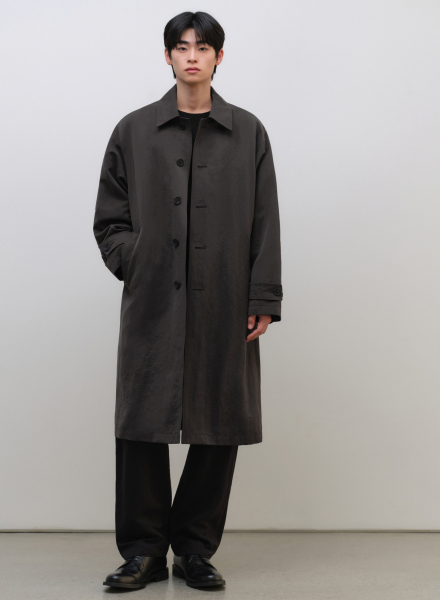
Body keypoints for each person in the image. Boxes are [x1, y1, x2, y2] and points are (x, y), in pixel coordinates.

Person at [93, 10, 282, 590]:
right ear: (168, 56)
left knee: (219, 420)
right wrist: (136, 260)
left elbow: (265, 219)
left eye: (203, 47)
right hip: (152, 298)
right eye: (182, 46)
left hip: (225, 297)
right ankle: (143, 552)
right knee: (141, 422)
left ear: (219, 57)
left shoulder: (248, 132)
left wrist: (262, 295)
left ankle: (195, 549)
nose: (192, 56)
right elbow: (109, 218)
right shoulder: (133, 130)